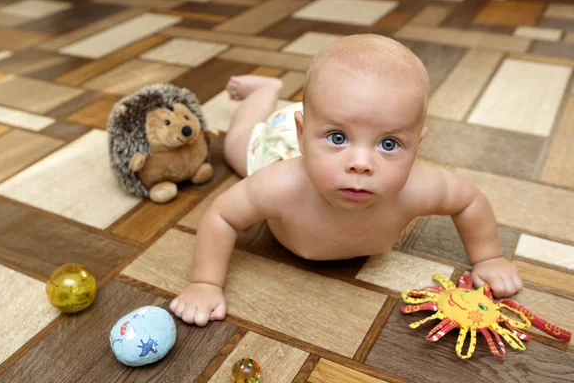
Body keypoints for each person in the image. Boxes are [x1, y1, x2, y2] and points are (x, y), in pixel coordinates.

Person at [170, 34, 523, 326]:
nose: (360, 163)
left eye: (389, 144)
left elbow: (469, 200)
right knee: (237, 141)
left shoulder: (420, 187)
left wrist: (488, 257)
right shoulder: (278, 184)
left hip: (318, 125)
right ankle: (265, 92)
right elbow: (222, 216)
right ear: (303, 132)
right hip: (275, 146)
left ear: (417, 146)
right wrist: (205, 282)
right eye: (338, 138)